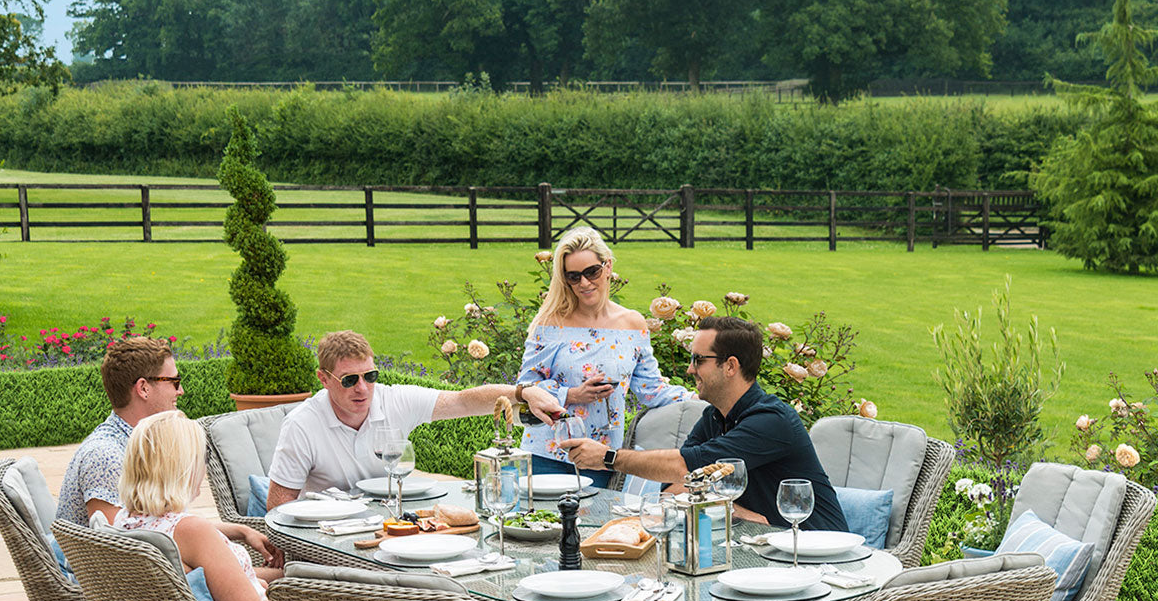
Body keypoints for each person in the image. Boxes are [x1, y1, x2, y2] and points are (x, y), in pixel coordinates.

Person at [561, 316, 847, 530]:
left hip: (816, 551)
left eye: (699, 360)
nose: (689, 369)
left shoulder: (771, 421)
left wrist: (608, 458)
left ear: (731, 366)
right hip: (762, 544)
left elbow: (685, 466)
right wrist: (733, 509)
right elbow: (677, 485)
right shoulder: (714, 417)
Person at [265, 330, 565, 509]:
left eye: (370, 376)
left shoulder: (393, 400)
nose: (362, 388)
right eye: (349, 380)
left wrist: (524, 393)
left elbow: (463, 400)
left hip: (387, 521)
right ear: (323, 379)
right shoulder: (303, 424)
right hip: (327, 532)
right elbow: (279, 504)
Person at [55, 335, 283, 566]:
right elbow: (124, 553)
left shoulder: (141, 445)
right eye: (174, 381)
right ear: (143, 388)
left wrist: (240, 531)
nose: (180, 390)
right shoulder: (106, 456)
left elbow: (152, 528)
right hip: (114, 589)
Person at [515, 227, 693, 488]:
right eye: (573, 277)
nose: (584, 283)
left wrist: (699, 398)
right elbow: (524, 387)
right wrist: (572, 395)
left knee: (593, 527)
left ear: (607, 266)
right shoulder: (551, 323)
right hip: (545, 454)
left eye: (592, 272)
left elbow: (651, 390)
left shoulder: (632, 324)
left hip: (599, 457)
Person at [114, 411, 281, 601]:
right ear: (184, 465)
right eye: (204, 455)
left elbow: (177, 534)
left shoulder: (127, 520)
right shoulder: (192, 531)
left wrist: (240, 531)